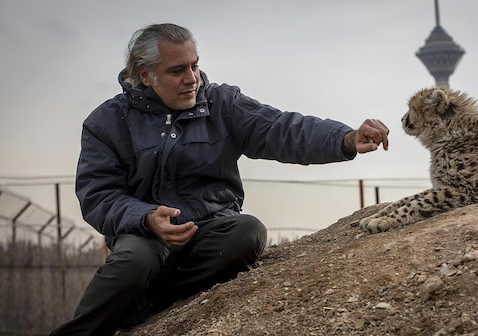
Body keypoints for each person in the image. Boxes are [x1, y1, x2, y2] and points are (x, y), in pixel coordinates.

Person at [50, 23, 389, 336]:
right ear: (146, 75)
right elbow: (98, 194)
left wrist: (343, 138)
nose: (192, 78)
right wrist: (145, 217)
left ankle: (149, 302)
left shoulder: (222, 104)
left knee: (248, 231)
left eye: (194, 65)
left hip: (210, 229)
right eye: (178, 70)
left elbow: (281, 128)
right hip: (145, 235)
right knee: (134, 261)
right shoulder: (106, 122)